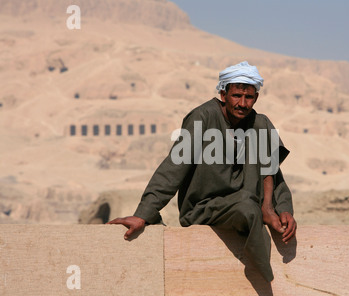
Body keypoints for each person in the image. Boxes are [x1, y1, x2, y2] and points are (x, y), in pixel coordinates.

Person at [108, 61, 296, 282]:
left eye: (249, 98)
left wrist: (281, 208)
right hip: (203, 208)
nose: (243, 104)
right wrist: (143, 214)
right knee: (247, 205)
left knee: (249, 205)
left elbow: (273, 173)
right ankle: (266, 275)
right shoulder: (202, 118)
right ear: (223, 93)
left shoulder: (260, 123)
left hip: (246, 207)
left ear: (256, 98)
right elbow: (173, 167)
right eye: (237, 96)